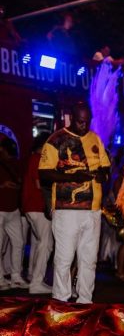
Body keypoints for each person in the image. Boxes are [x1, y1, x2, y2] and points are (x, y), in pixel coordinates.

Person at [39, 102, 111, 303]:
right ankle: (61, 300)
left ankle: (85, 300)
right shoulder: (56, 140)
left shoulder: (95, 138)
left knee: (89, 260)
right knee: (64, 259)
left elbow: (106, 167)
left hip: (93, 211)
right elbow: (44, 173)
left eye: (87, 121)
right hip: (66, 210)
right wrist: (73, 178)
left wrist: (102, 175)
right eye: (80, 121)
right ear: (71, 118)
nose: (84, 125)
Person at [21, 134, 54, 294]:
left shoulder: (34, 158)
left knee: (39, 242)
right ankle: (36, 282)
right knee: (46, 244)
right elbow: (39, 183)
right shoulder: (38, 158)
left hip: (31, 206)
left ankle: (33, 276)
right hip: (37, 206)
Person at [0, 134, 27, 290]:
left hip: (13, 209)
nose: (9, 153)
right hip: (0, 210)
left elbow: (20, 183)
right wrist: (3, 185)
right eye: (7, 150)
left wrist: (15, 185)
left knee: (19, 243)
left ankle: (16, 276)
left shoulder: (15, 164)